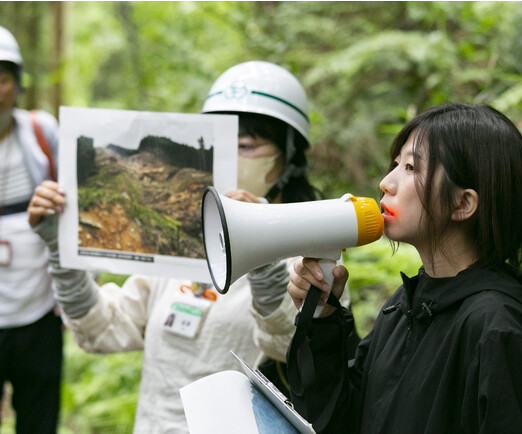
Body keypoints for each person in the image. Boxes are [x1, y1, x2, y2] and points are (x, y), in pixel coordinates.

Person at [27, 61, 331, 432]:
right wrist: (61, 251)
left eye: (247, 144)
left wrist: (264, 255)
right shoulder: (181, 241)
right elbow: (103, 329)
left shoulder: (311, 251)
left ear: (289, 155)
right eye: (221, 141)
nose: (231, 156)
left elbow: (296, 349)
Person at [286, 103, 522, 433]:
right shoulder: (404, 307)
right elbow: (343, 422)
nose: (386, 182)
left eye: (410, 168)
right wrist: (323, 318)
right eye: (396, 164)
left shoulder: (498, 329)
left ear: (462, 203)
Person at [0, 25, 61, 433]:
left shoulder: (42, 133)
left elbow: (75, 209)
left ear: (17, 83)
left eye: (2, 78)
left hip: (39, 316)